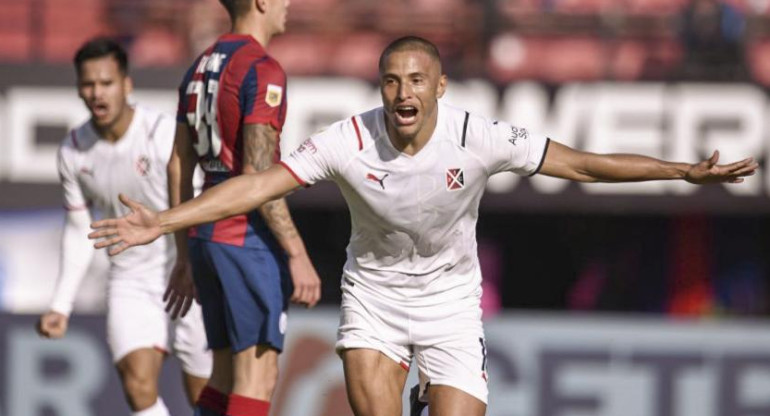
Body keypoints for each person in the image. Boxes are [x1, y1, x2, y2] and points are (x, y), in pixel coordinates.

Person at [89, 36, 758, 416]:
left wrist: (681, 172)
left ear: (439, 87)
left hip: (448, 308)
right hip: (376, 303)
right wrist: (164, 222)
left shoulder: (479, 136)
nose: (401, 93)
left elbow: (581, 165)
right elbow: (259, 183)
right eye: (390, 81)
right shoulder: (349, 139)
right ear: (380, 88)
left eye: (415, 80)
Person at [161, 0, 322, 415]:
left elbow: (178, 164)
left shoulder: (198, 67)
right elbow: (257, 171)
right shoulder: (262, 68)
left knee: (223, 377)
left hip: (204, 238)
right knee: (257, 378)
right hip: (246, 239)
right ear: (261, 2)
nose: (288, 4)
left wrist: (183, 254)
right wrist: (297, 253)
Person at [36, 37, 212, 416]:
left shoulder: (162, 134)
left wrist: (191, 262)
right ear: (79, 89)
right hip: (131, 279)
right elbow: (79, 229)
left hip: (186, 270)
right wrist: (60, 305)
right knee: (137, 384)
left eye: (106, 83)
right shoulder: (72, 151)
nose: (97, 93)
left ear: (127, 85)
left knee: (204, 394)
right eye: (88, 84)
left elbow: (199, 207)